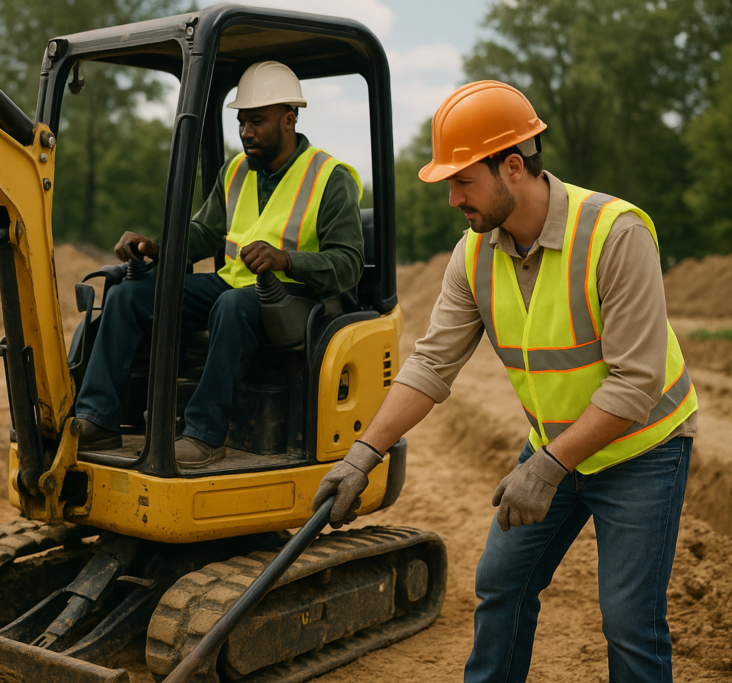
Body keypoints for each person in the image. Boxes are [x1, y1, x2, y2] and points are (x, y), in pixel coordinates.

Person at [313, 80, 698, 682]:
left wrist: (547, 468)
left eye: (462, 181)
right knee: (501, 585)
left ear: (512, 167)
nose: (452, 200)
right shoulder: (473, 255)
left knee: (628, 621)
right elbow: (430, 364)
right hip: (556, 442)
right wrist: (363, 455)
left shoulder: (615, 235)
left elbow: (634, 384)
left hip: (642, 449)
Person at [75, 61, 364, 469]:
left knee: (232, 306)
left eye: (257, 122)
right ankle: (98, 417)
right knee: (128, 295)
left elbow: (348, 264)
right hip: (233, 286)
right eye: (242, 122)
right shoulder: (236, 171)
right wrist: (158, 246)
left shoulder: (329, 178)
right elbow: (204, 234)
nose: (246, 132)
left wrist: (286, 259)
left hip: (298, 300)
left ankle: (205, 435)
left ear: (289, 119)